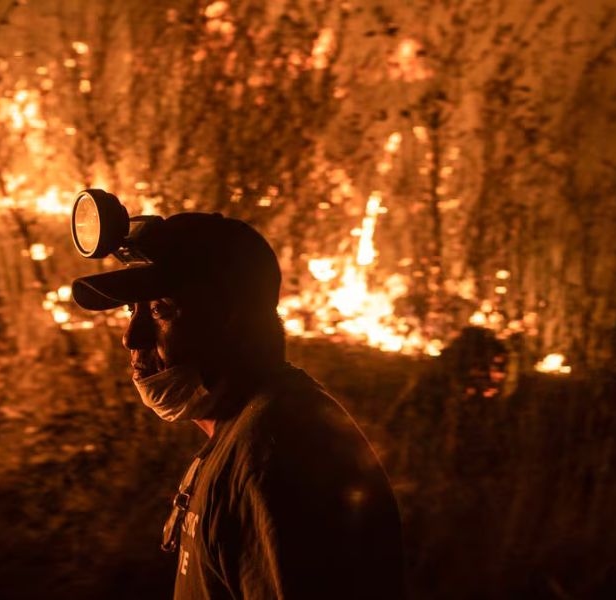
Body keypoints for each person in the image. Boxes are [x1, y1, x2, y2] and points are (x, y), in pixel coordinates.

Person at [72, 212, 405, 599]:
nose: (132, 338)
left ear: (228, 318)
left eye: (161, 310)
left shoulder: (278, 453)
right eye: (133, 311)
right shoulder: (241, 435)